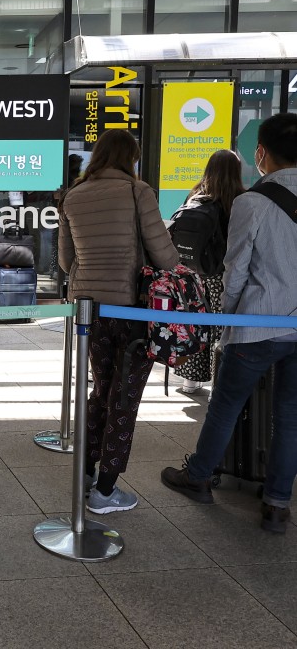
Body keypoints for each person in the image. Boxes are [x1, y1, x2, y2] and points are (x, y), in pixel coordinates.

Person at [162, 112, 297, 534]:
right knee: (290, 416)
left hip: (257, 322)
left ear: (261, 153)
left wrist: (226, 324)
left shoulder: (252, 202)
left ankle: (199, 476)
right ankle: (277, 504)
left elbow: (235, 269)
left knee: (225, 405)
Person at [59, 129, 179, 514]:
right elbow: (163, 255)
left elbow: (65, 262)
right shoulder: (137, 191)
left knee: (101, 390)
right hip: (131, 312)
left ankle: (88, 473)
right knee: (123, 399)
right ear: (130, 157)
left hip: (88, 313)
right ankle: (106, 491)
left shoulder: (74, 195)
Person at [171, 150, 245, 394]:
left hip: (194, 272)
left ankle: (190, 381)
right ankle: (218, 380)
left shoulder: (196, 195)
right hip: (223, 272)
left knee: (197, 322)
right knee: (221, 326)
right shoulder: (239, 198)